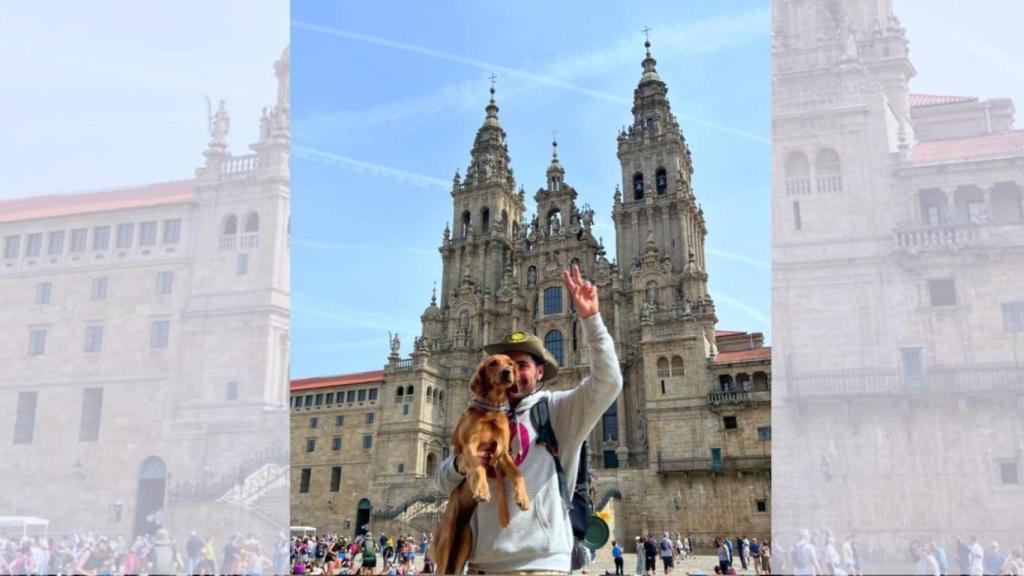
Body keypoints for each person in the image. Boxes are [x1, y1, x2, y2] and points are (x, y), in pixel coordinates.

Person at [434, 265, 623, 574]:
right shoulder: (479, 417)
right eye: (503, 365)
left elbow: (610, 382)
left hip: (542, 564)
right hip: (482, 564)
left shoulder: (557, 410)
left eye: (521, 365)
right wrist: (461, 464)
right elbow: (443, 480)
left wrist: (591, 320)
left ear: (539, 372)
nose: (510, 372)